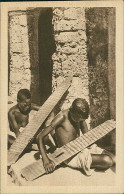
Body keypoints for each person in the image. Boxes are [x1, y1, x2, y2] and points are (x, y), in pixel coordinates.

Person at [36, 98, 115, 175]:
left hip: (80, 146)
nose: (79, 121)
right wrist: (45, 160)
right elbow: (40, 137)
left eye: (81, 120)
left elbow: (87, 135)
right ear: (72, 111)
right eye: (78, 119)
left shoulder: (79, 116)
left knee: (114, 158)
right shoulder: (61, 117)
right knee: (107, 161)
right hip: (69, 156)